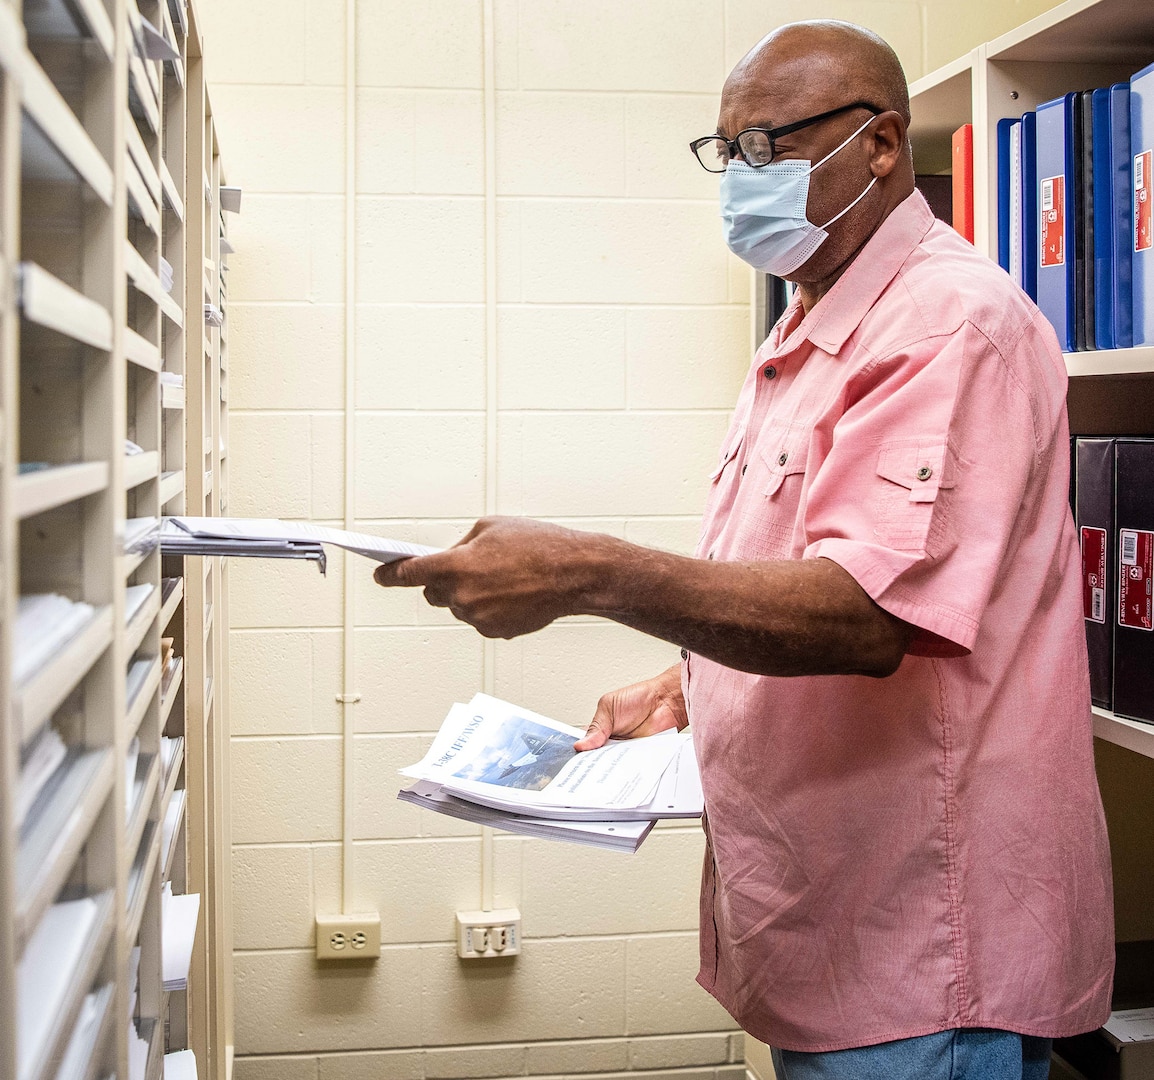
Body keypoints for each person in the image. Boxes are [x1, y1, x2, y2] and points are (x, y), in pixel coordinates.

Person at [373, 20, 1114, 1080]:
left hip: (925, 953)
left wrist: (588, 571)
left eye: (768, 147)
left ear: (879, 144)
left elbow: (865, 615)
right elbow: (803, 560)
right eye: (728, 154)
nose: (740, 180)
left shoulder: (947, 326)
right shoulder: (806, 322)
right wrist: (687, 678)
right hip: (825, 931)